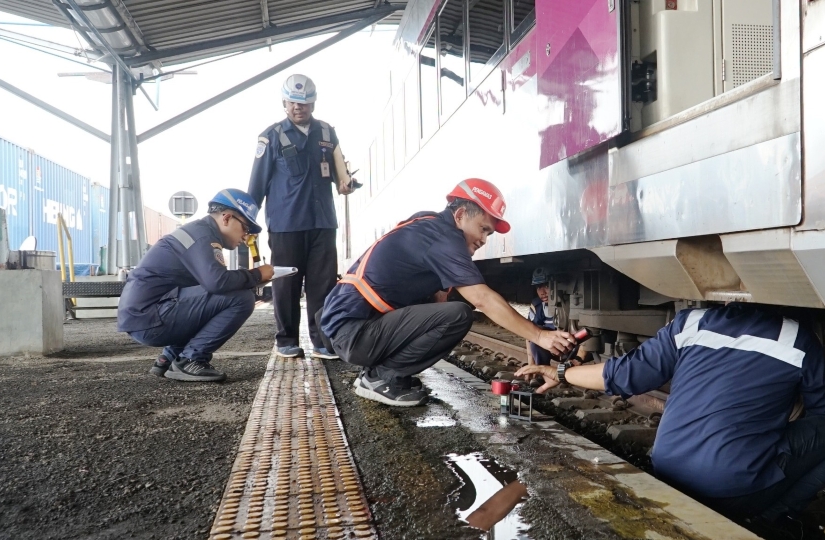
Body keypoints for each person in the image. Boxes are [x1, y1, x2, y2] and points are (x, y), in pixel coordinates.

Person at [515, 303, 825, 525]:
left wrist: (559, 373)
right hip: (734, 490)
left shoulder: (690, 323)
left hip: (668, 472)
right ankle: (776, 519)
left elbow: (621, 375)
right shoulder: (797, 339)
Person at [318, 179, 575, 406]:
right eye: (483, 228)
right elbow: (482, 299)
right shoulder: (443, 237)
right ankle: (381, 378)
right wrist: (540, 335)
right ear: (461, 214)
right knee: (458, 315)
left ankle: (381, 372)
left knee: (450, 305)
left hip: (349, 327)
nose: (484, 239)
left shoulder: (429, 225)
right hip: (352, 332)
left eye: (489, 233)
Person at [248, 74, 354, 360]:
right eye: (294, 102)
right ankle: (286, 340)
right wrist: (248, 223)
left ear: (313, 103)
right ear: (284, 103)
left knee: (323, 284)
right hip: (286, 225)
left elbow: (338, 173)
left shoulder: (327, 134)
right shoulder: (270, 136)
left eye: (305, 103)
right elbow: (256, 185)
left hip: (323, 223)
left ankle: (322, 341)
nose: (299, 108)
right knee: (286, 284)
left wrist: (347, 184)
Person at [117, 189, 273, 382]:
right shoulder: (203, 237)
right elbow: (218, 282)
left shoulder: (199, 233)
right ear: (226, 218)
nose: (246, 236)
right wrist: (257, 274)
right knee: (241, 299)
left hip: (145, 316)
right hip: (150, 319)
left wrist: (250, 280)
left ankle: (169, 357)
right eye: (245, 228)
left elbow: (206, 292)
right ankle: (191, 360)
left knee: (224, 296)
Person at [526, 267, 557, 367]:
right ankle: (542, 372)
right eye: (539, 287)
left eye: (547, 286)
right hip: (550, 346)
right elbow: (529, 334)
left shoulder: (568, 305)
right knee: (535, 339)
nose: (542, 292)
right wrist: (531, 363)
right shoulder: (537, 306)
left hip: (569, 348)